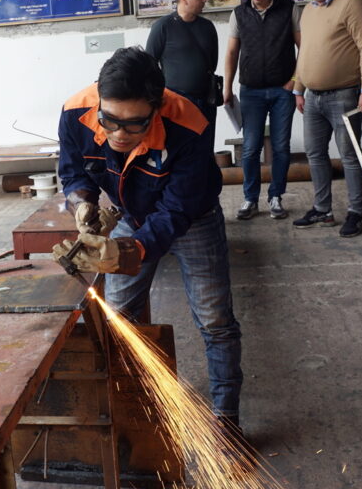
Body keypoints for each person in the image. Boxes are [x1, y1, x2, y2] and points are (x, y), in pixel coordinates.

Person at [52, 47, 244, 433]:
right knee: (120, 315)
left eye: (134, 125)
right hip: (130, 213)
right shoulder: (76, 111)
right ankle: (141, 403)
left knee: (214, 319)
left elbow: (176, 211)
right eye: (110, 122)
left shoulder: (189, 123)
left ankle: (226, 418)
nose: (119, 134)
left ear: (157, 107)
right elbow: (74, 172)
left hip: (193, 220)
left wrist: (130, 251)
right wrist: (82, 204)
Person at [291, 0, 362, 237]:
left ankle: (356, 213)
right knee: (315, 155)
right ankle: (323, 209)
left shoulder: (351, 3)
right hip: (313, 97)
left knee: (350, 156)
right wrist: (297, 88)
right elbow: (304, 53)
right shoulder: (307, 11)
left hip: (345, 95)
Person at [223, 0, 302, 221]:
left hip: (283, 91)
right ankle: (250, 199)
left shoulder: (289, 9)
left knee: (280, 147)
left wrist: (295, 81)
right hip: (251, 92)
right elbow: (232, 53)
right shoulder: (239, 13)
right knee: (250, 148)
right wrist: (227, 87)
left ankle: (276, 197)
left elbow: (306, 49)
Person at [146, 0, 220, 129]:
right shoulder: (162, 27)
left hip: (206, 102)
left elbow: (212, 62)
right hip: (175, 105)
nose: (204, 0)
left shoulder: (208, 27)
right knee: (179, 149)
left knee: (205, 148)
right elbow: (149, 65)